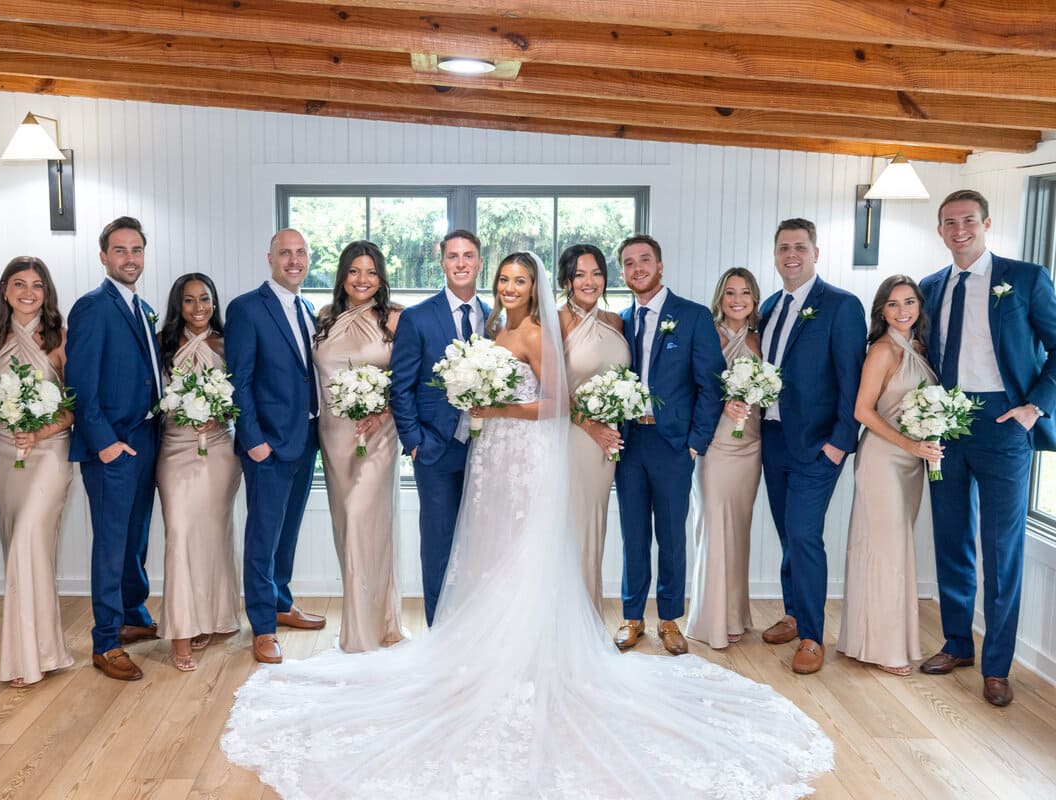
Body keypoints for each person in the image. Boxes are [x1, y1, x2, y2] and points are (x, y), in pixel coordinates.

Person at [220, 251, 833, 799]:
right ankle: (482, 651)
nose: (511, 288)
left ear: (535, 286)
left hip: (525, 454)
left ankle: (531, 658)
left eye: (520, 280)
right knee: (489, 554)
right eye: (505, 280)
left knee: (523, 551)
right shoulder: (492, 326)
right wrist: (476, 405)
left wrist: (492, 405)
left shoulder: (538, 332)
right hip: (492, 455)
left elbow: (557, 403)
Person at [919, 189, 1056, 707]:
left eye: (968, 220)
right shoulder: (931, 287)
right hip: (946, 423)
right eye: (950, 222)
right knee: (951, 538)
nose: (960, 230)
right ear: (940, 230)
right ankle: (957, 643)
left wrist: (1033, 407)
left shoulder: (1025, 278)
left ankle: (997, 666)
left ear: (986, 223)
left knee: (1002, 551)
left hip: (1005, 424)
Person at [758, 218, 866, 675]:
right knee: (787, 531)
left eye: (800, 247)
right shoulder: (767, 305)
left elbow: (852, 379)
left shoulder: (841, 306)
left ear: (815, 253)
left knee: (804, 534)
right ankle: (793, 612)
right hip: (774, 438)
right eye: (783, 248)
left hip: (819, 444)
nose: (791, 256)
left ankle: (812, 636)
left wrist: (840, 443)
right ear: (776, 255)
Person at [614, 235, 725, 654]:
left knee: (672, 536)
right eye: (629, 262)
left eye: (645, 260)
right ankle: (631, 616)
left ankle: (669, 620)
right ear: (623, 272)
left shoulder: (692, 316)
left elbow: (711, 385)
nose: (637, 268)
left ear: (660, 266)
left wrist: (695, 443)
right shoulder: (620, 320)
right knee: (632, 533)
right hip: (628, 441)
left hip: (674, 443)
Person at [65, 216, 163, 682]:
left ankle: (131, 615)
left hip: (147, 439)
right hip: (114, 445)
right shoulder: (92, 307)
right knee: (110, 543)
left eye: (137, 249)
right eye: (120, 250)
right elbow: (80, 384)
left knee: (136, 537)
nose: (130, 258)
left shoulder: (140, 307)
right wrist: (104, 444)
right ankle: (105, 641)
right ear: (103, 257)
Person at [225, 228, 326, 666]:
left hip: (305, 441)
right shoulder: (247, 308)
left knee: (289, 531)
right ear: (269, 258)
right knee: (263, 535)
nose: (294, 260)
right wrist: (255, 442)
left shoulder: (306, 307)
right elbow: (239, 382)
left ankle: (282, 603)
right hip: (268, 445)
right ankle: (263, 626)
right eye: (285, 253)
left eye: (301, 253)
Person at [836, 275, 939, 676]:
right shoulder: (881, 350)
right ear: (882, 310)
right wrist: (910, 445)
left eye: (909, 302)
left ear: (919, 306)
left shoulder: (921, 347)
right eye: (893, 304)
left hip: (911, 464)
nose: (902, 311)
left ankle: (863, 639)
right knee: (886, 552)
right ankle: (886, 648)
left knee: (891, 551)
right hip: (883, 460)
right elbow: (863, 411)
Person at [389, 229, 491, 627]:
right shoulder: (417, 317)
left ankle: (478, 626)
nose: (461, 263)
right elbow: (402, 386)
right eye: (453, 256)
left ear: (481, 261)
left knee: (483, 542)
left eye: (468, 255)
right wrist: (415, 442)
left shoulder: (496, 317)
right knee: (438, 544)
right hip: (436, 448)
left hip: (488, 448)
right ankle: (441, 631)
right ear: (442, 262)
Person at [0, 257, 75, 687]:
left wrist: (38, 432)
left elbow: (75, 407)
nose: (28, 292)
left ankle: (30, 658)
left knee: (29, 541)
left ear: (46, 292)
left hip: (49, 453)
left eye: (37, 285)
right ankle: (41, 651)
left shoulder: (60, 338)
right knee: (17, 549)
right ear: (5, 289)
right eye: (19, 284)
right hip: (4, 456)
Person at [314, 241, 407, 652]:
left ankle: (367, 633)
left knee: (362, 521)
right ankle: (365, 624)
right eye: (354, 271)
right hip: (333, 439)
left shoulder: (396, 318)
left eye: (371, 272)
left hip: (378, 435)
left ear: (381, 277)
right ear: (342, 275)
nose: (362, 280)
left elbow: (405, 379)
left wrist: (381, 410)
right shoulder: (323, 316)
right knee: (345, 529)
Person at [155, 273, 242, 672]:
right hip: (175, 448)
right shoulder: (161, 344)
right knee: (181, 534)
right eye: (189, 301)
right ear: (179, 305)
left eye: (205, 299)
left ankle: (210, 616)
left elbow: (243, 391)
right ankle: (181, 630)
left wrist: (220, 411)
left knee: (212, 534)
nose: (198, 308)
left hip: (220, 449)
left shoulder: (227, 343)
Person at [686, 267, 763, 649]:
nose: (737, 300)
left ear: (754, 298)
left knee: (739, 529)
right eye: (730, 293)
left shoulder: (761, 339)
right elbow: (695, 384)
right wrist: (723, 405)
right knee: (712, 527)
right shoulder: (708, 334)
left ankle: (734, 614)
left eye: (745, 293)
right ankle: (710, 618)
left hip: (750, 445)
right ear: (720, 297)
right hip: (714, 444)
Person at [557, 244, 628, 617]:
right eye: (580, 274)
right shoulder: (554, 322)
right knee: (570, 527)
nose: (590, 281)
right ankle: (568, 618)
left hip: (607, 446)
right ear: (567, 280)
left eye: (597, 273)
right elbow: (547, 391)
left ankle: (588, 615)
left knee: (593, 526)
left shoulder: (616, 322)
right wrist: (592, 426)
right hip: (571, 439)